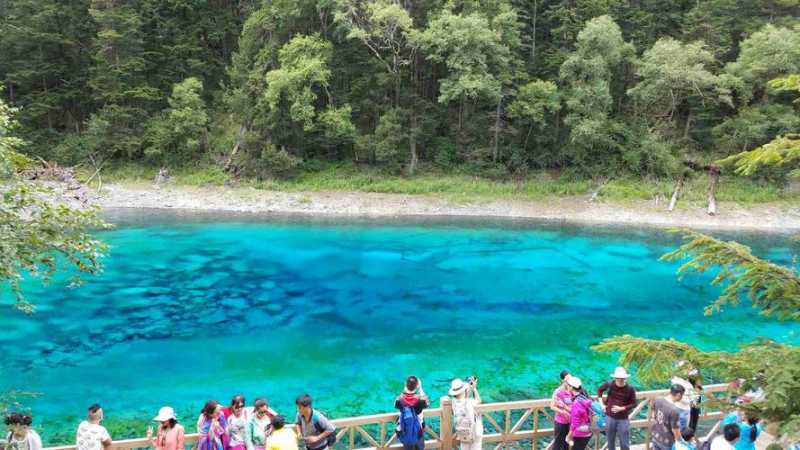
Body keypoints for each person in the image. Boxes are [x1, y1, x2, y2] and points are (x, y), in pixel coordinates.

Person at [597, 367, 637, 450]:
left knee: (624, 443)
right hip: (610, 417)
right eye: (618, 378)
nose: (620, 380)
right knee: (610, 441)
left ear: (625, 378)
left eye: (622, 378)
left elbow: (634, 403)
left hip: (623, 418)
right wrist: (601, 404)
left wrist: (622, 408)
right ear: (615, 377)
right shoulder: (610, 384)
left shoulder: (630, 388)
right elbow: (599, 390)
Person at [394, 376, 429, 450]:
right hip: (418, 431)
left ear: (405, 385)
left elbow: (395, 404)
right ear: (416, 386)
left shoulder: (399, 400)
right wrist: (420, 388)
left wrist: (405, 388)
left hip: (405, 430)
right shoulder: (420, 401)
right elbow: (427, 402)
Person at [449, 377, 483, 450]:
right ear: (463, 390)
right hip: (474, 432)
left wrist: (469, 388)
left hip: (462, 433)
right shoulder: (469, 402)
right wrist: (474, 388)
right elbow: (479, 400)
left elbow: (462, 399)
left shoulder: (453, 402)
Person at [650, 385, 684, 450]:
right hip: (667, 442)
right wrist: (681, 442)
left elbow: (653, 415)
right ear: (679, 395)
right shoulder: (674, 410)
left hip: (655, 436)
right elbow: (675, 430)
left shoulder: (658, 399)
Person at [565, 376, 594, 450]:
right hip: (589, 430)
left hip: (580, 433)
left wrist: (568, 436)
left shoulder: (577, 403)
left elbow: (575, 423)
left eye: (568, 385)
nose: (567, 387)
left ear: (571, 387)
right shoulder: (584, 397)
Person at [550, 371, 572, 450]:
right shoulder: (558, 391)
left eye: (570, 378)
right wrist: (563, 412)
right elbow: (552, 406)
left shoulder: (571, 390)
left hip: (570, 422)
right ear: (562, 380)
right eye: (567, 379)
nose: (569, 381)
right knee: (558, 443)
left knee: (566, 444)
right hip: (560, 422)